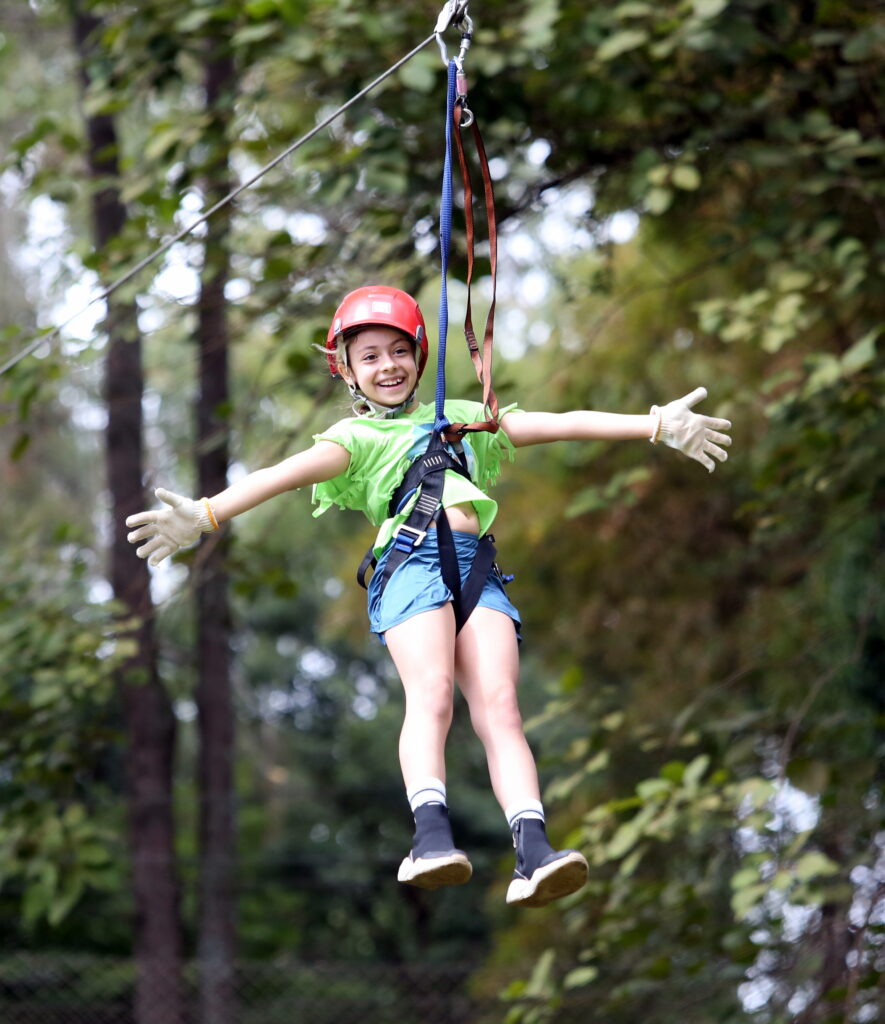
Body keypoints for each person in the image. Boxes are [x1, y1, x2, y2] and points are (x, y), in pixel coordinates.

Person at [125, 285, 732, 908]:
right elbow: (278, 476)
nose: (388, 365)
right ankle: (431, 836)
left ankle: (533, 850)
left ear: (419, 355)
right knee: (434, 694)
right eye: (370, 357)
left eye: (398, 350)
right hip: (411, 564)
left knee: (501, 704)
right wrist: (205, 514)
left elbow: (556, 423)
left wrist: (655, 424)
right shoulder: (354, 439)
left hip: (476, 569)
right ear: (347, 370)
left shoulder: (464, 416)